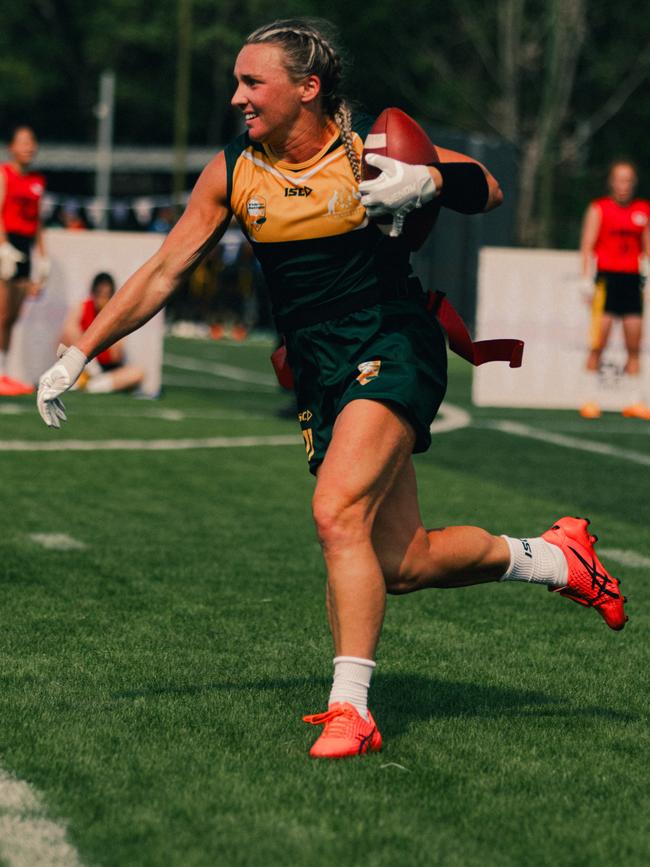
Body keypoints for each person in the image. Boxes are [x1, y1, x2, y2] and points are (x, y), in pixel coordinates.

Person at [37, 18, 627, 759]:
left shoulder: (366, 154)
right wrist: (80, 349)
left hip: (393, 342)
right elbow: (162, 271)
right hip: (319, 366)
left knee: (335, 509)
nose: (237, 97)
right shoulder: (233, 171)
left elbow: (491, 188)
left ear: (307, 88)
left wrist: (434, 178)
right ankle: (556, 555)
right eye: (238, 82)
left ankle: (352, 708)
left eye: (253, 82)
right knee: (399, 561)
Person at [579, 160, 650, 419]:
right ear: (611, 181)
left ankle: (634, 401)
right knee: (598, 342)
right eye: (619, 179)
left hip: (632, 281)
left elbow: (647, 247)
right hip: (606, 281)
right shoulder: (599, 208)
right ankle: (589, 399)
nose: (624, 185)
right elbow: (587, 245)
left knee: (634, 344)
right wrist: (586, 280)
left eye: (628, 180)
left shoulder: (643, 210)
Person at [0, 125, 50, 395]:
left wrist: (42, 256)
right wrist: (3, 247)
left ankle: (4, 370)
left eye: (32, 141)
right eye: (23, 142)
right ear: (12, 147)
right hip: (6, 247)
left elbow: (38, 222)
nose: (29, 147)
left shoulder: (37, 181)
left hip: (25, 248)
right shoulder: (4, 174)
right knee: (2, 313)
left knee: (13, 316)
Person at [60, 272, 144, 394]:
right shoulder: (83, 308)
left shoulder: (116, 313)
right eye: (100, 294)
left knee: (137, 373)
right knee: (68, 334)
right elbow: (69, 331)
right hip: (85, 364)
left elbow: (116, 355)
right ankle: (89, 375)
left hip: (105, 369)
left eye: (107, 295)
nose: (103, 299)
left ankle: (92, 385)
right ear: (93, 293)